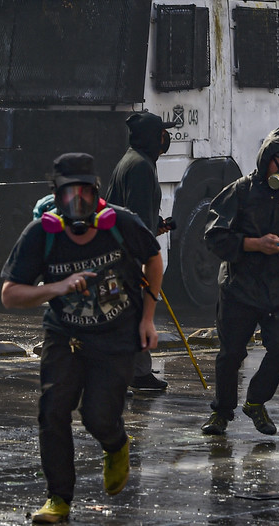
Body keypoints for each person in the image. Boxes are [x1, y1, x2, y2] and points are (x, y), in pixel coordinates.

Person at [0, 153, 163, 524]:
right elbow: (10, 294)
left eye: (85, 194)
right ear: (56, 198)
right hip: (65, 335)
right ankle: (58, 498)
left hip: (116, 336)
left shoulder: (121, 224)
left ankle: (116, 443)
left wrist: (148, 319)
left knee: (97, 417)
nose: (78, 204)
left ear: (97, 194)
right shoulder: (41, 235)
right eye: (69, 195)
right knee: (52, 411)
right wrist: (55, 287)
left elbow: (154, 259)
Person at [201, 127, 279, 436]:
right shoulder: (241, 191)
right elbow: (213, 235)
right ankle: (222, 411)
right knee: (231, 353)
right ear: (267, 160)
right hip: (240, 287)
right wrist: (253, 244)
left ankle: (256, 402)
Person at [104, 110, 180, 392]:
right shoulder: (140, 167)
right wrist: (144, 254)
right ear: (153, 137)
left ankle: (131, 372)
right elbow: (134, 217)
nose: (166, 138)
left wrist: (155, 225)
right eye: (162, 133)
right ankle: (132, 374)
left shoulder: (134, 161)